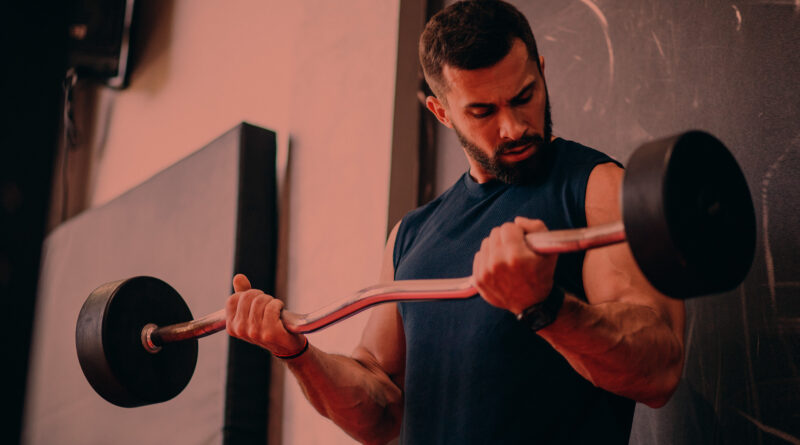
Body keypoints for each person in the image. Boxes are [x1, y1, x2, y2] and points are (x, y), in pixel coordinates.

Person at [225, 1, 685, 443]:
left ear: (541, 70)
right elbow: (380, 415)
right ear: (441, 112)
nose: (514, 127)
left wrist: (543, 306)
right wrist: (298, 352)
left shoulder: (597, 188)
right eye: (483, 111)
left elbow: (658, 371)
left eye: (524, 96)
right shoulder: (411, 235)